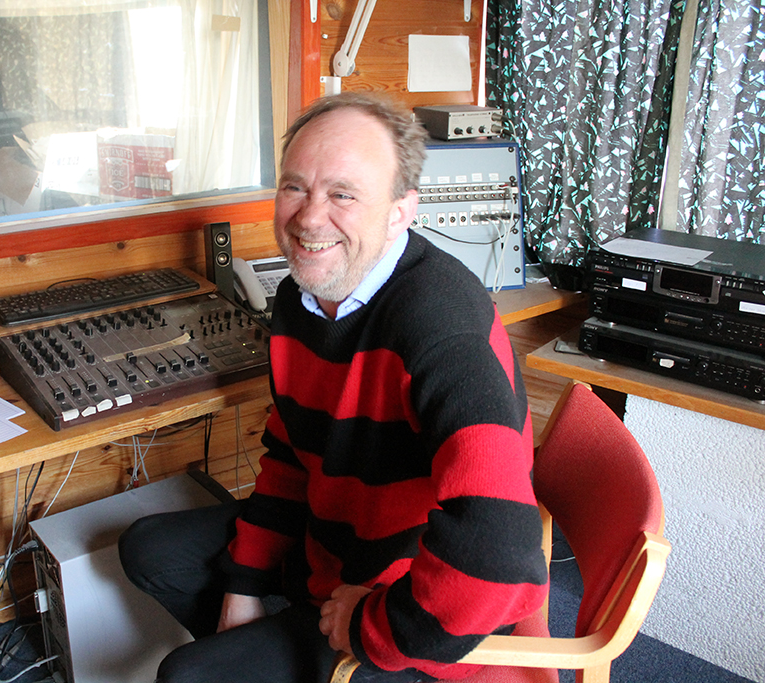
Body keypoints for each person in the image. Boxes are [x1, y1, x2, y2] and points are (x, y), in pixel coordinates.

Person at [119, 92, 548, 683]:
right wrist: (243, 588)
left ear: (401, 210)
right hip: (333, 551)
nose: (309, 218)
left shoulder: (440, 327)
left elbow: (499, 550)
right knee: (147, 548)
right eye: (296, 187)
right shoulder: (300, 296)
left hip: (417, 603)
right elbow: (293, 455)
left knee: (188, 675)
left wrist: (374, 628)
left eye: (343, 194)